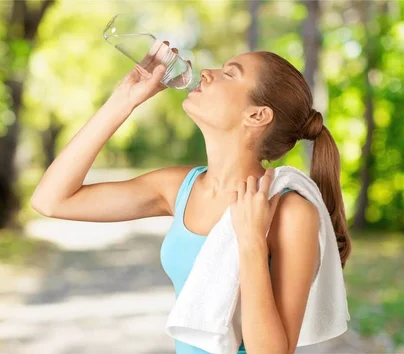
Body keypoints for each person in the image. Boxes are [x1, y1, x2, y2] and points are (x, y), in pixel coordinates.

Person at [30, 42, 352, 354]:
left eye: (230, 74)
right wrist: (123, 100)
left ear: (257, 116)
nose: (208, 73)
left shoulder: (289, 211)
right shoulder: (177, 187)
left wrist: (251, 241)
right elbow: (52, 200)